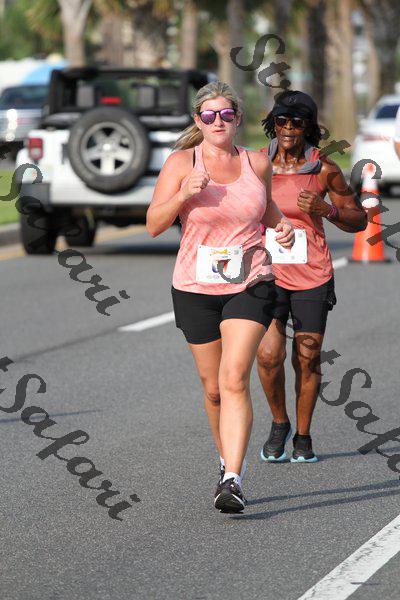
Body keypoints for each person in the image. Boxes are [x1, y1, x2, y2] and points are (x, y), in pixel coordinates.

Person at [146, 81, 294, 513]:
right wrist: (183, 194)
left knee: (233, 378)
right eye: (209, 115)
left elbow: (265, 208)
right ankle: (226, 459)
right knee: (213, 390)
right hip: (195, 287)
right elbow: (153, 224)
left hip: (251, 281)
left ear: (237, 119)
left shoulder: (256, 162)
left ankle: (233, 478)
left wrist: (282, 225)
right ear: (198, 120)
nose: (218, 122)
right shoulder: (181, 163)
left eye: (226, 114)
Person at [257, 90, 367, 463]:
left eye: (297, 122)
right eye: (282, 121)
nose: (288, 128)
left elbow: (358, 220)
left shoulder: (324, 169)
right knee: (268, 355)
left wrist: (326, 210)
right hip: (266, 274)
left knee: (307, 356)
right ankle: (279, 423)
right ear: (273, 123)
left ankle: (303, 436)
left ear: (309, 127)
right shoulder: (256, 165)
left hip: (311, 276)